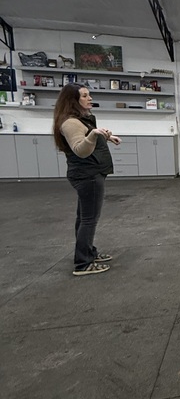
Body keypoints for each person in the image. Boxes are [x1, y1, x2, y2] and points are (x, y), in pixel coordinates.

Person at [53, 83, 120, 276]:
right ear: (72, 100)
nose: (89, 98)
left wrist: (106, 137)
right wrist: (93, 135)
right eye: (84, 96)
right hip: (88, 175)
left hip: (90, 173)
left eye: (89, 95)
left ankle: (88, 252)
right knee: (89, 219)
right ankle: (83, 263)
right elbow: (81, 149)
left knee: (83, 217)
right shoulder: (70, 122)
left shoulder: (80, 119)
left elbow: (88, 138)